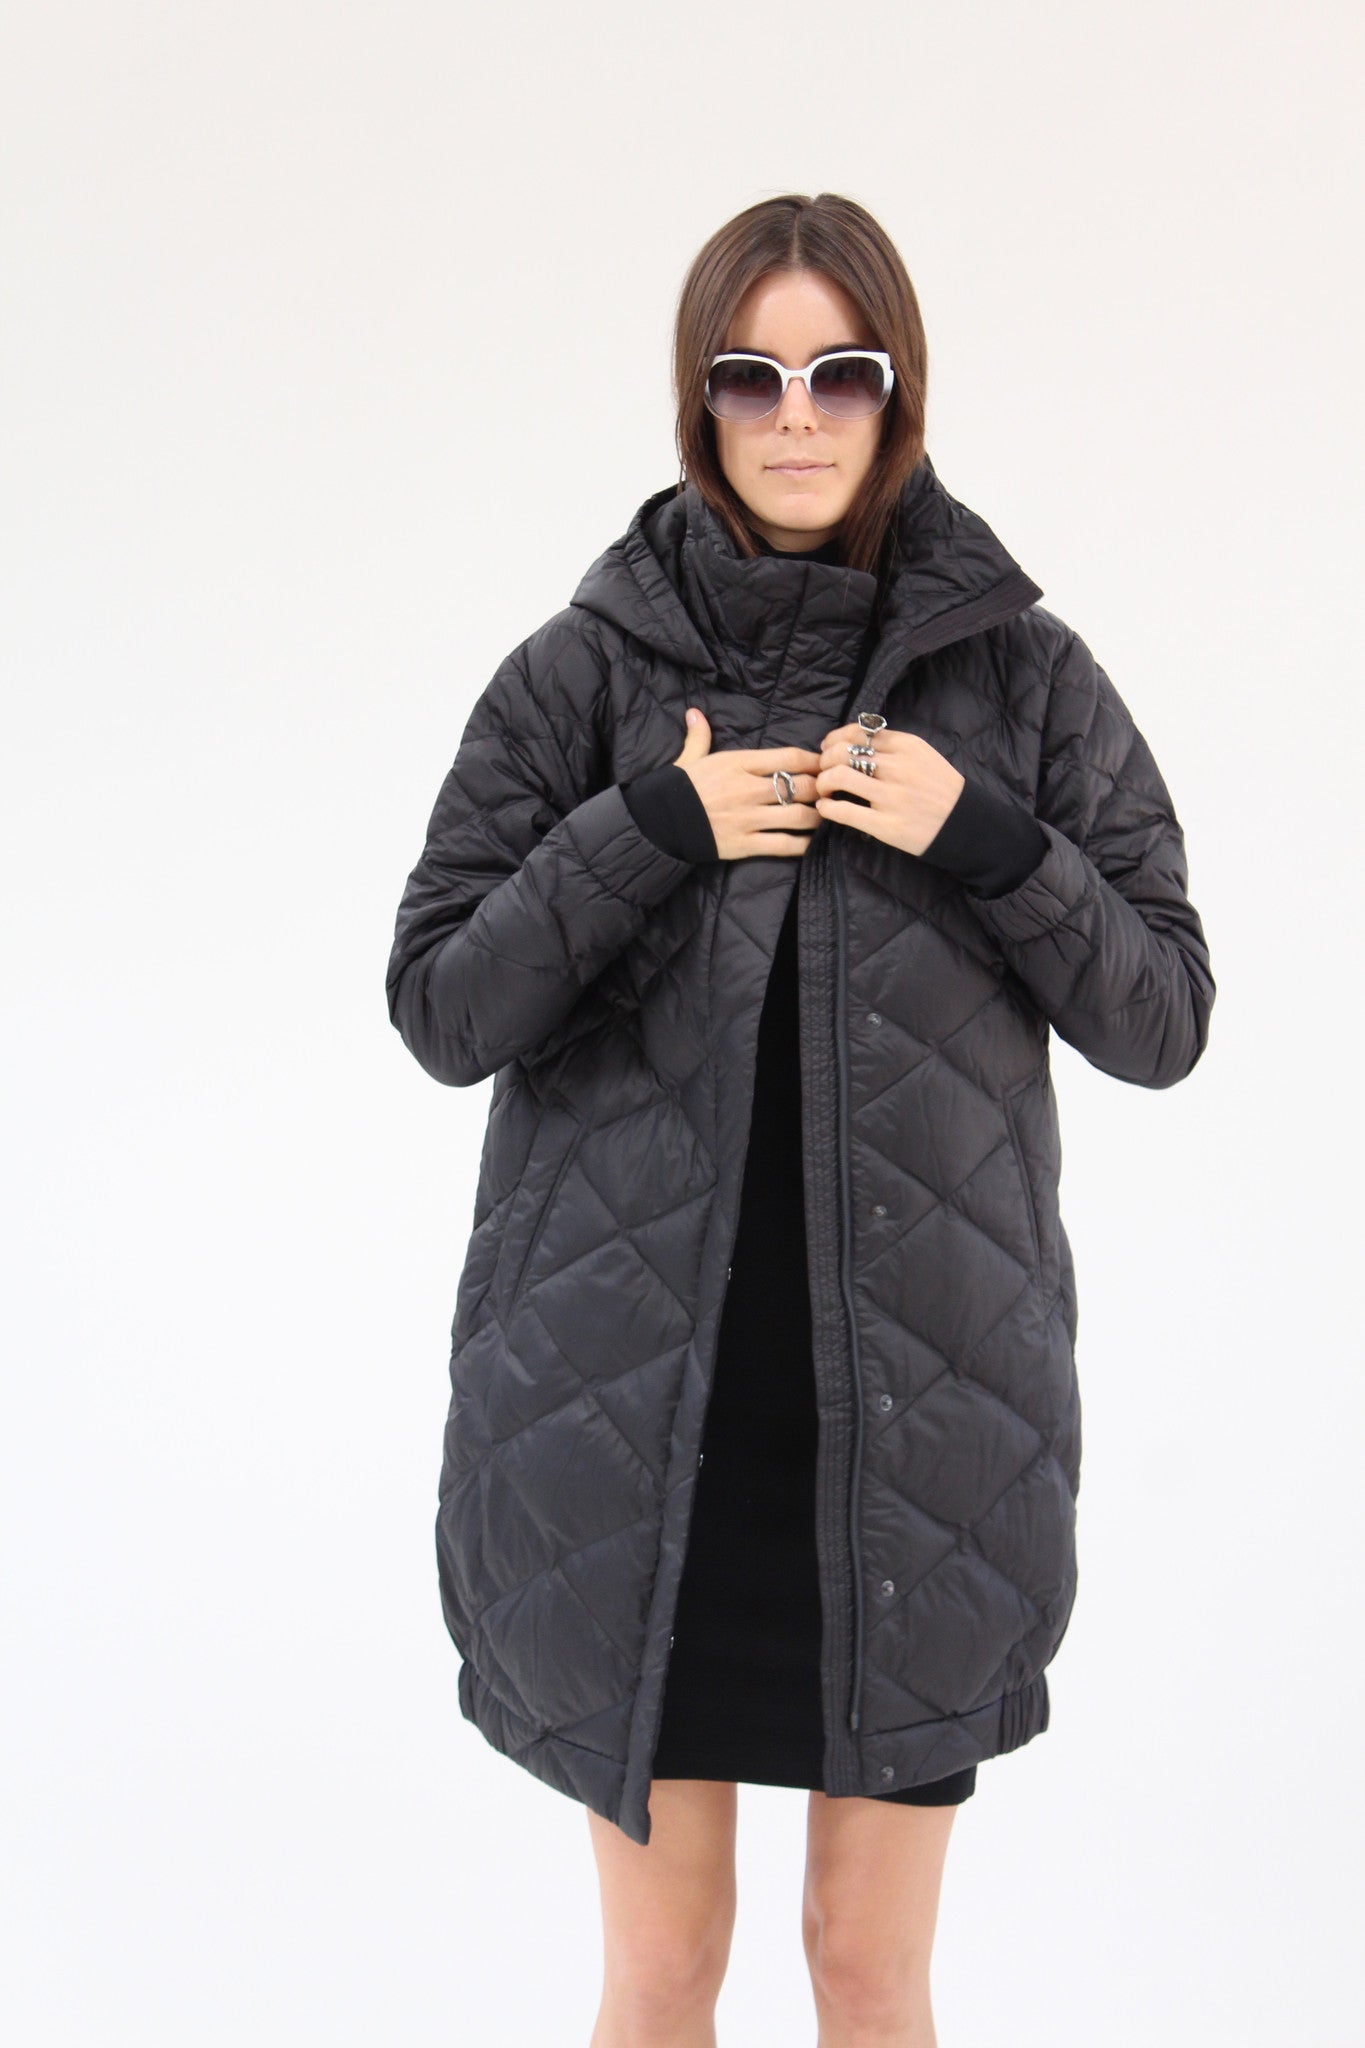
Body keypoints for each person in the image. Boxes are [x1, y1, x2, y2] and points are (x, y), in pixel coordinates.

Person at [385, 192, 1215, 2047]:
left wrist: (980, 832)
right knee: (660, 1969)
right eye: (748, 374)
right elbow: (440, 1006)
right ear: (698, 399)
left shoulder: (1022, 679)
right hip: (631, 1438)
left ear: (896, 389)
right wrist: (646, 830)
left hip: (918, 1445)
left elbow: (1162, 1016)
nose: (794, 415)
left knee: (868, 1969)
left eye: (840, 372)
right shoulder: (581, 674)